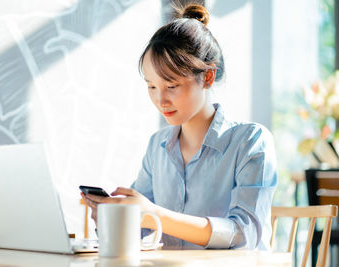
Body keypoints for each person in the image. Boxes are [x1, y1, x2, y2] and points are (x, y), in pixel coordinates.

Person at [81, 2, 277, 250]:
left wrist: (154, 214)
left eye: (171, 86)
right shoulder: (158, 146)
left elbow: (244, 234)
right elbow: (139, 227)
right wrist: (112, 216)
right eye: (152, 86)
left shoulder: (251, 141)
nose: (160, 100)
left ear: (207, 77)